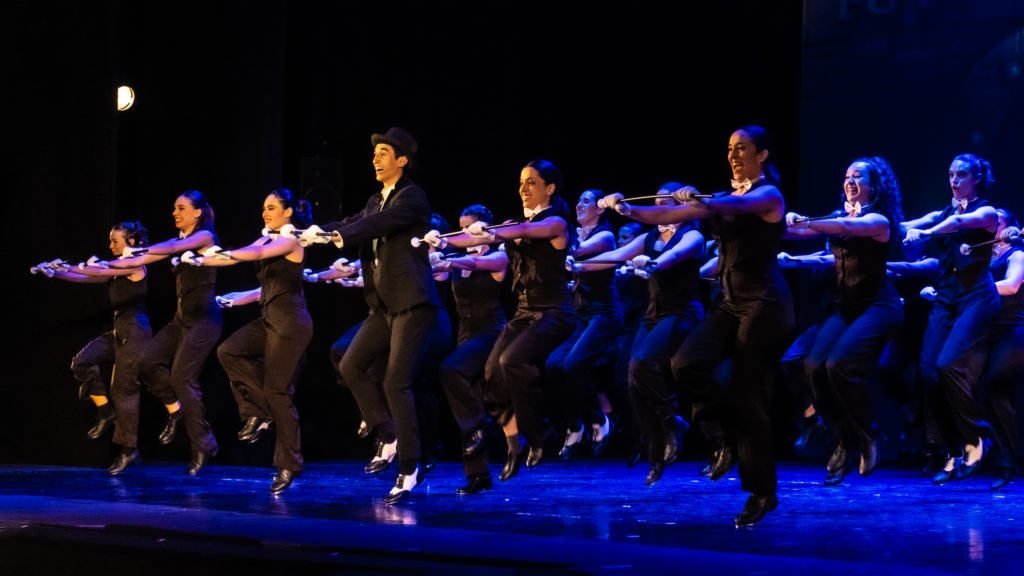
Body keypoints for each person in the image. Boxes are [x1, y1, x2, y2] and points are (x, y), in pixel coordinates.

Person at [603, 126, 794, 526]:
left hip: (764, 302)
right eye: (729, 149)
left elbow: (736, 208)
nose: (734, 155)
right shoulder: (722, 198)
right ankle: (723, 437)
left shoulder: (768, 195)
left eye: (742, 149)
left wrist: (701, 197)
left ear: (763, 155)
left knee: (747, 392)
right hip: (729, 301)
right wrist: (626, 210)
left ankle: (762, 492)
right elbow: (670, 214)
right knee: (684, 364)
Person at [302, 127, 440, 504]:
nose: (376, 158)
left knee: (397, 382)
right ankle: (389, 434)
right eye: (375, 152)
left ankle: (410, 466)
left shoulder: (413, 198)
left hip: (414, 304)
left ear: (402, 160)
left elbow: (372, 227)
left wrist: (335, 238)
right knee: (350, 364)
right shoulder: (375, 199)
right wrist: (310, 232)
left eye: (384, 152)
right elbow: (351, 222)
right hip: (384, 306)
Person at [425, 160, 576, 483]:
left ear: (549, 188)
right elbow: (477, 240)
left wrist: (490, 232)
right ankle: (512, 436)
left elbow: (520, 232)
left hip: (554, 310)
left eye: (532, 182)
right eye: (521, 182)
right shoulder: (513, 222)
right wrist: (444, 243)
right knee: (493, 371)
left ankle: (540, 434)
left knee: (511, 361)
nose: (523, 188)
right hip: (524, 312)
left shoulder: (557, 222)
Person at [785, 157, 906, 485]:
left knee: (839, 366)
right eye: (847, 176)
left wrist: (807, 220)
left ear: (874, 185)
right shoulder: (838, 216)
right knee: (812, 367)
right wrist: (774, 223)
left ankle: (870, 436)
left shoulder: (879, 219)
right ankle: (840, 441)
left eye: (859, 177)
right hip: (847, 307)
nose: (851, 182)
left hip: (879, 306)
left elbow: (848, 228)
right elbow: (794, 231)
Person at [191, 189, 314, 494]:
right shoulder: (267, 238)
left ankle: (289, 462)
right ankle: (259, 413)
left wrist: (223, 254)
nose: (265, 213)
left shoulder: (292, 239)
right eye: (263, 208)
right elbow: (252, 256)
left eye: (271, 207)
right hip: (269, 318)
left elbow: (254, 255)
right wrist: (203, 263)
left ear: (288, 212)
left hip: (291, 322)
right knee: (229, 351)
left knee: (278, 390)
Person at [580, 185, 704, 485]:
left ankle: (672, 421)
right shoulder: (648, 236)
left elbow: (673, 256)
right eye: (657, 203)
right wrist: (576, 262)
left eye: (666, 203)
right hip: (654, 313)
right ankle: (655, 454)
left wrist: (652, 263)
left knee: (642, 364)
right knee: (630, 381)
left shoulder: (692, 235)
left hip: (682, 310)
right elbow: (617, 255)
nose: (659, 208)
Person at [106, 191, 222, 475]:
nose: (174, 213)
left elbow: (168, 248)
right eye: (174, 208)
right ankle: (178, 410)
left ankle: (203, 444)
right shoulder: (183, 241)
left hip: (205, 320)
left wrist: (139, 251)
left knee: (183, 378)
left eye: (181, 208)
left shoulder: (205, 237)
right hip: (182, 319)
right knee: (147, 362)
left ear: (197, 212)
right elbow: (166, 249)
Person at [902, 154, 999, 484]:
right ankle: (956, 449)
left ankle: (978, 435)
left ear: (977, 179)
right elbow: (904, 225)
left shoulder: (987, 212)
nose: (954, 181)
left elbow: (957, 225)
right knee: (928, 371)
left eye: (962, 175)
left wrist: (925, 232)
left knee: (948, 365)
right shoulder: (942, 213)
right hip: (946, 297)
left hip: (978, 295)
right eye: (951, 175)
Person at [35, 222, 152, 474]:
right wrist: (56, 273)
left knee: (123, 391)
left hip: (136, 333)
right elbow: (88, 276)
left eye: (115, 241)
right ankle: (105, 412)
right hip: (119, 330)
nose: (111, 246)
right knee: (82, 361)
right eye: (110, 241)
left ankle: (129, 451)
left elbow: (96, 271)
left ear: (130, 242)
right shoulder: (114, 267)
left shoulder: (133, 264)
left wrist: (65, 265)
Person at [433, 204, 508, 494]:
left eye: (469, 228)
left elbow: (475, 265)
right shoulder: (454, 258)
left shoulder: (497, 257)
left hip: (491, 332)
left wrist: (447, 261)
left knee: (450, 369)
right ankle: (478, 475)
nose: (463, 233)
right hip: (466, 336)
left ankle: (483, 426)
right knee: (469, 400)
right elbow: (432, 270)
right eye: (460, 228)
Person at [549, 190, 622, 459]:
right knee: (552, 365)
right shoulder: (574, 234)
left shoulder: (604, 235)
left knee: (571, 367)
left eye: (586, 201)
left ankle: (601, 420)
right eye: (578, 200)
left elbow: (575, 252)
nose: (579, 205)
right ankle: (573, 426)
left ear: (600, 209)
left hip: (605, 313)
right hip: (581, 314)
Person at [984, 208, 1023, 490]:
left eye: (996, 223)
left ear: (1009, 228)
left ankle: (1006, 460)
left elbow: (1010, 286)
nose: (990, 226)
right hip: (985, 332)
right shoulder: (983, 257)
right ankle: (982, 443)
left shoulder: (1017, 254)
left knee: (995, 383)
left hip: (1012, 331)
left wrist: (973, 290)